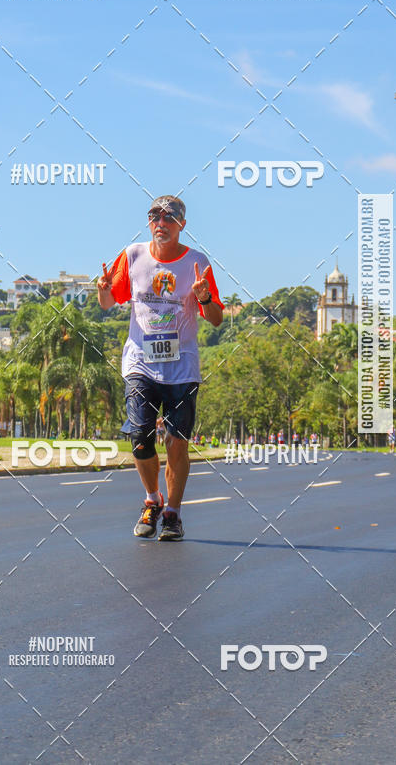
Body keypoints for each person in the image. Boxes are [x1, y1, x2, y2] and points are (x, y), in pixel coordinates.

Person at [97, 195, 224, 541]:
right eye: (155, 216)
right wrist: (104, 291)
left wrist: (204, 297)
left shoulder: (197, 262)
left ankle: (173, 514)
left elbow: (215, 319)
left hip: (182, 367)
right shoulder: (133, 256)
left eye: (169, 218)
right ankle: (152, 499)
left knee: (176, 444)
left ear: (182, 224)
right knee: (140, 436)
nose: (161, 223)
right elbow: (108, 302)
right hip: (140, 362)